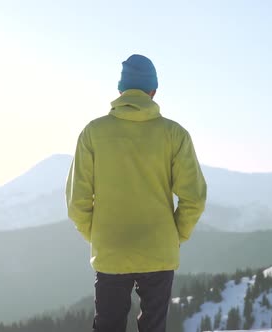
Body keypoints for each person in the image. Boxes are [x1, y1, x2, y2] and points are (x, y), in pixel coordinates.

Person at [66, 54, 207, 332]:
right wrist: (175, 236)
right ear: (154, 90)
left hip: (110, 249)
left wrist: (96, 236)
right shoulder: (175, 134)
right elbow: (194, 198)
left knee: (107, 326)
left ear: (121, 90)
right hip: (159, 249)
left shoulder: (93, 133)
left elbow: (77, 202)